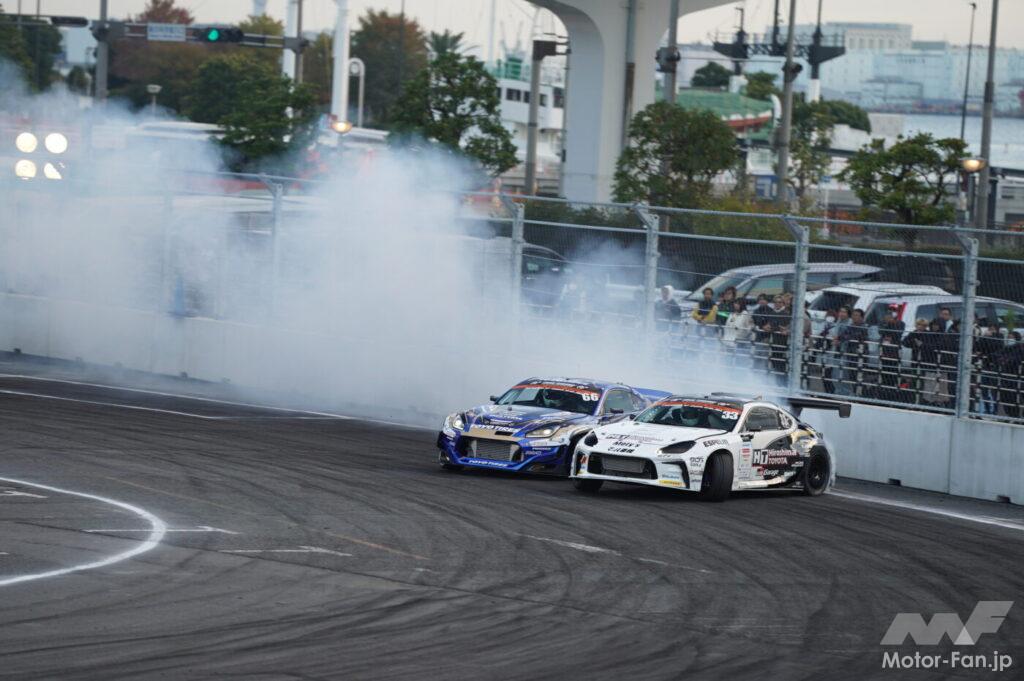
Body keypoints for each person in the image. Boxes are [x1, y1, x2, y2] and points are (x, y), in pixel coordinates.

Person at [835, 308, 868, 396]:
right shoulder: (851, 326)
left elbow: (855, 336)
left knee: (860, 376)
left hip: (860, 355)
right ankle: (855, 393)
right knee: (852, 375)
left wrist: (845, 338)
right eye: (853, 315)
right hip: (851, 354)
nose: (854, 317)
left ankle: (862, 395)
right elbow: (843, 335)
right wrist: (839, 338)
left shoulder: (864, 327)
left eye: (857, 315)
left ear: (862, 317)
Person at [877, 307, 906, 401]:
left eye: (893, 311)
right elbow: (881, 332)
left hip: (894, 352)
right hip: (884, 351)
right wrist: (887, 323)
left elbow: (898, 334)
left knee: (893, 373)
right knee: (883, 372)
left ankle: (892, 393)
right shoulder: (883, 322)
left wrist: (892, 323)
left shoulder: (901, 323)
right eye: (890, 312)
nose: (891, 313)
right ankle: (883, 392)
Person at [975, 324, 1004, 415]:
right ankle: (987, 408)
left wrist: (990, 337)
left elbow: (997, 346)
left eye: (993, 329)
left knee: (994, 390)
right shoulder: (985, 337)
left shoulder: (1000, 337)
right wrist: (984, 337)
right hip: (985, 365)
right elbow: (979, 348)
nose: (991, 331)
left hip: (995, 366)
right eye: (990, 329)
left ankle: (995, 409)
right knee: (984, 388)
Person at [996, 332, 1024, 419]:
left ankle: (1016, 416)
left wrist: (1006, 360)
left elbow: (1017, 359)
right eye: (1008, 337)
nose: (1009, 339)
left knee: (1015, 397)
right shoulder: (1007, 348)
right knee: (1005, 397)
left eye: (1011, 338)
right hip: (1006, 376)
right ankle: (1011, 416)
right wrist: (1004, 359)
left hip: (1017, 377)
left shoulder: (1020, 349)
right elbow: (997, 355)